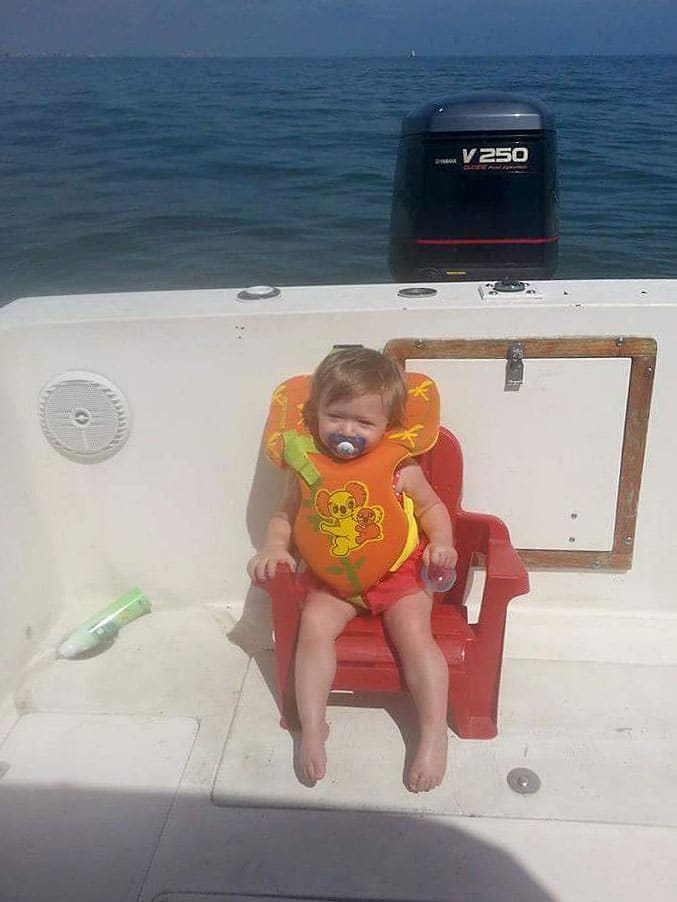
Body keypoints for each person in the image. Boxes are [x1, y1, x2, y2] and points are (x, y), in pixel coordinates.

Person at [248, 347, 457, 793]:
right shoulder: (305, 465)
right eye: (336, 416)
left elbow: (432, 507)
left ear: (388, 426)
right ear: (315, 412)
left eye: (365, 423)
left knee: (416, 637)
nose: (348, 431)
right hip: (333, 580)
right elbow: (285, 514)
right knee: (314, 628)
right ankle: (312, 727)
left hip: (397, 576)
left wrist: (442, 543)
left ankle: (434, 733)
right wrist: (273, 546)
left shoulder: (400, 464)